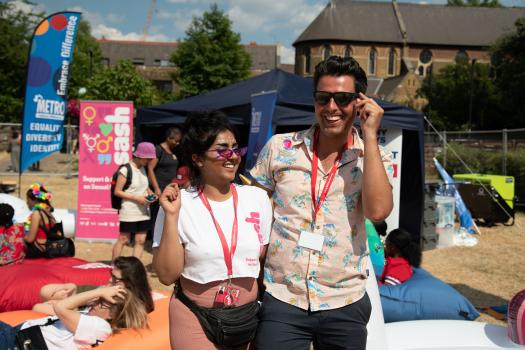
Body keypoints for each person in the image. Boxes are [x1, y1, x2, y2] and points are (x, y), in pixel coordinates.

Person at [249, 55, 394, 350]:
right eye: (323, 98)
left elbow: (378, 212)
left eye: (342, 98)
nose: (331, 108)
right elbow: (254, 207)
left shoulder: (374, 156)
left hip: (344, 299)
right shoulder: (280, 148)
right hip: (283, 296)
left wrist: (369, 134)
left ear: (359, 102)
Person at [153, 111, 272, 350]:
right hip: (194, 315)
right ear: (197, 159)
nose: (232, 156)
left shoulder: (257, 198)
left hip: (247, 316)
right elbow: (166, 276)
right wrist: (172, 215)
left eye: (236, 148)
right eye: (222, 149)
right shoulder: (179, 203)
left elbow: (265, 261)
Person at [0, 284, 148, 349]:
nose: (96, 302)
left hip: (16, 344)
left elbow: (60, 307)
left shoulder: (100, 327)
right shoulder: (88, 316)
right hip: (15, 334)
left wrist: (98, 292)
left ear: (113, 314)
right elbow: (49, 308)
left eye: (102, 302)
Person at [34, 256, 155, 314]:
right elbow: (45, 291)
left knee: (39, 307)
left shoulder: (128, 302)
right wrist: (72, 287)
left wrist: (71, 307)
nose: (109, 280)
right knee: (46, 292)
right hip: (81, 308)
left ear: (130, 282)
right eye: (111, 275)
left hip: (82, 316)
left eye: (115, 278)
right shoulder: (111, 288)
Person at [112, 142, 157, 260]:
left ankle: (135, 267)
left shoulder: (143, 168)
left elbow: (144, 186)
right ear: (140, 156)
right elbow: (117, 191)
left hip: (143, 211)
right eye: (148, 159)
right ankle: (114, 265)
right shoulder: (125, 169)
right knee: (124, 239)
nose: (149, 161)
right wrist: (137, 198)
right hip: (129, 210)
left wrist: (151, 194)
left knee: (140, 240)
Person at [147, 127, 183, 239]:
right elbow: (150, 168)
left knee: (166, 217)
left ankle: (163, 241)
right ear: (168, 138)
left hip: (169, 190)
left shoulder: (172, 152)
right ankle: (155, 241)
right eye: (176, 141)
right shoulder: (159, 150)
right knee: (157, 216)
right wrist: (156, 188)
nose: (177, 143)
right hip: (160, 190)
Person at [24, 183, 61, 259]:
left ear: (34, 200)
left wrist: (21, 236)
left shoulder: (36, 213)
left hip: (39, 250)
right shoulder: (47, 211)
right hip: (49, 246)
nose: (27, 203)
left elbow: (30, 239)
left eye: (28, 200)